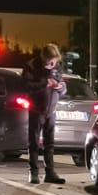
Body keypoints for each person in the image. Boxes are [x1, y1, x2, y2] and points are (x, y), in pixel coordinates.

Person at [22, 44, 65, 185]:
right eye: (49, 61)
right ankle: (33, 173)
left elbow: (63, 87)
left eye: (53, 61)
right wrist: (44, 83)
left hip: (51, 111)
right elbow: (25, 87)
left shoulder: (57, 66)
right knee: (34, 143)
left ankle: (50, 173)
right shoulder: (32, 66)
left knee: (50, 144)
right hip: (36, 110)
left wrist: (60, 87)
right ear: (43, 58)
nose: (51, 64)